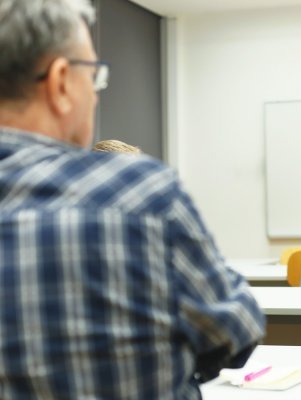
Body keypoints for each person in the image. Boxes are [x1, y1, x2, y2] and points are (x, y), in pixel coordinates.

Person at [0, 0, 264, 398]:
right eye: (94, 77)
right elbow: (236, 334)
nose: (96, 94)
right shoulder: (141, 194)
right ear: (59, 83)